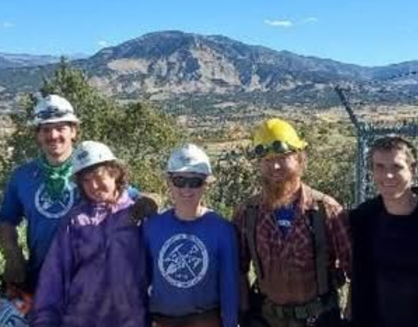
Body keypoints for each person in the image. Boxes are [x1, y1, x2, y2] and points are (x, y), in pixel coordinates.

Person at [0, 94, 157, 295]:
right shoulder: (23, 177)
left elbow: (129, 196)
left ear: (73, 131)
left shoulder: (93, 168)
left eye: (61, 128)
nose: (53, 135)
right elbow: (6, 220)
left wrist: (148, 203)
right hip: (42, 279)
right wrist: (13, 257)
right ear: (37, 135)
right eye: (46, 129)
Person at [234, 118, 351, 327]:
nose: (275, 166)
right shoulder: (247, 213)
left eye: (282, 157)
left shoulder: (326, 210)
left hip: (320, 319)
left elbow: (356, 270)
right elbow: (238, 270)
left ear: (299, 158)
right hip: (267, 319)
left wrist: (350, 318)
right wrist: (244, 315)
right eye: (267, 160)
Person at [30, 141, 150, 327]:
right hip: (81, 320)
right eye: (86, 180)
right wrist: (45, 321)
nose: (93, 185)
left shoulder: (139, 215)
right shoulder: (76, 221)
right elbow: (54, 277)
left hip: (131, 320)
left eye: (98, 176)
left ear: (114, 172)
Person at [143, 143, 238, 327]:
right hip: (162, 321)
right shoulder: (151, 227)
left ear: (206, 184)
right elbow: (140, 282)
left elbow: (229, 288)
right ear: (169, 182)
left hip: (205, 321)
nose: (186, 189)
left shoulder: (222, 230)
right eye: (179, 181)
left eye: (195, 182)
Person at [350, 136, 418, 327]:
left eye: (396, 167)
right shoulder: (363, 219)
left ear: (412, 169)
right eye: (380, 167)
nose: (388, 176)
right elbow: (360, 282)